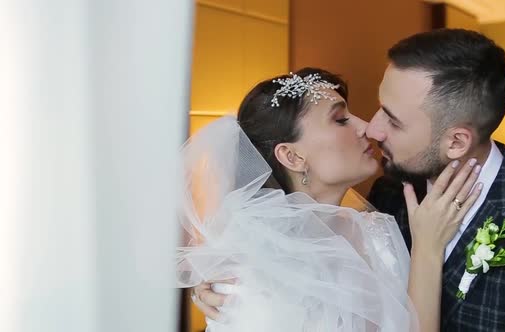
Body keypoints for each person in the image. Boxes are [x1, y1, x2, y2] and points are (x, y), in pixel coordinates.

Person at [180, 67, 482, 331]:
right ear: (292, 155)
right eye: (340, 120)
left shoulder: (376, 228)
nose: (366, 127)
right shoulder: (249, 267)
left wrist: (428, 247)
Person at [365, 29, 505, 331]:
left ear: (457, 142)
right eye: (381, 108)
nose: (373, 130)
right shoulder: (388, 194)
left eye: (393, 120)